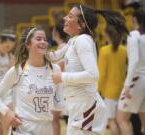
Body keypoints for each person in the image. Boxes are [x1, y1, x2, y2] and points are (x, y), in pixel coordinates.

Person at [46, 4, 130, 135]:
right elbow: (53, 56)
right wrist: (35, 47)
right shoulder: (73, 41)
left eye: (70, 16)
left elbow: (93, 75)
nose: (65, 18)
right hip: (79, 105)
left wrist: (61, 76)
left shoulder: (83, 41)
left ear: (81, 25)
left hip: (86, 106)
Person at [0, 27, 64, 135]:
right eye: (38, 39)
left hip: (47, 128)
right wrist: (8, 113)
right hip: (23, 128)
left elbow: (59, 102)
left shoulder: (55, 69)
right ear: (28, 45)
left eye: (45, 39)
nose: (43, 42)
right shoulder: (18, 70)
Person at [117, 7, 145, 135]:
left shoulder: (133, 35)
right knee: (144, 121)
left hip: (137, 78)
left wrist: (127, 85)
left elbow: (133, 61)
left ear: (134, 19)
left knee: (121, 119)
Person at [98, 24, 128, 135]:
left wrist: (98, 90)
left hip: (109, 92)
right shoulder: (124, 50)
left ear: (106, 34)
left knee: (112, 121)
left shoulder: (104, 50)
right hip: (122, 90)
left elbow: (102, 74)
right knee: (122, 121)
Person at [51, 20, 69, 135]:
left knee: (55, 118)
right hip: (62, 85)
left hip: (63, 87)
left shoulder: (62, 46)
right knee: (56, 118)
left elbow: (59, 67)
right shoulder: (62, 46)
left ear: (56, 33)